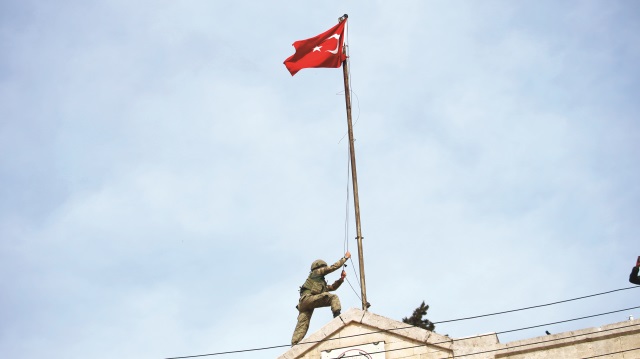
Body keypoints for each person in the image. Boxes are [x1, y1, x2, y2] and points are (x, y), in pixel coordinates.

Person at [291, 251, 351, 345]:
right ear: (319, 267)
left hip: (304, 304)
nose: (324, 269)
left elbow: (331, 288)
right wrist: (345, 258)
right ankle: (337, 317)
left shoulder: (319, 282)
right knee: (333, 298)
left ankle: (295, 345)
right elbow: (332, 268)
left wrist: (341, 279)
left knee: (302, 325)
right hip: (308, 299)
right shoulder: (316, 272)